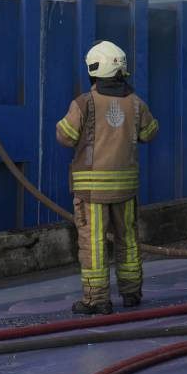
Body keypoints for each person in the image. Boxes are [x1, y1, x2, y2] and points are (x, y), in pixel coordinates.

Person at [56, 41, 159, 315]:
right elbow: (150, 133)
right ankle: (132, 293)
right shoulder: (136, 103)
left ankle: (97, 299)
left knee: (94, 244)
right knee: (128, 240)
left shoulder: (84, 103)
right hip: (126, 189)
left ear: (93, 69)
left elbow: (65, 136)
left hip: (92, 192)